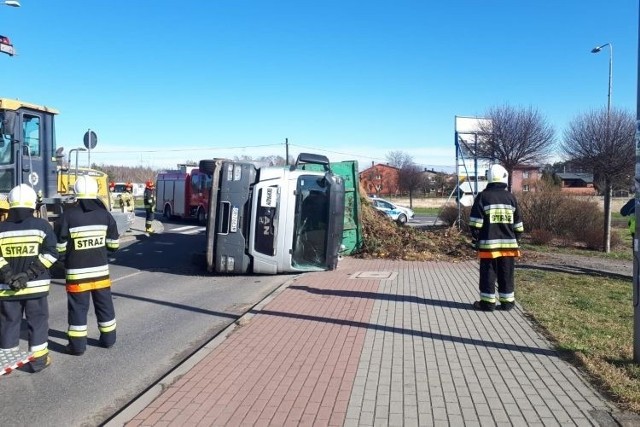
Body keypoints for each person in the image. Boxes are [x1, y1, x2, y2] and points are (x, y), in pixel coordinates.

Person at [55, 175, 120, 355]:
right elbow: (114, 246)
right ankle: (108, 340)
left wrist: (66, 260)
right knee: (105, 306)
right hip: (100, 272)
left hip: (76, 273)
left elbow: (59, 248)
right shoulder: (105, 215)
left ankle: (77, 347)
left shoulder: (67, 216)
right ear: (95, 192)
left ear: (76, 194)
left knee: (77, 309)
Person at [0, 184, 58, 372]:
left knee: (8, 323)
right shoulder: (42, 226)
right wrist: (29, 274)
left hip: (7, 288)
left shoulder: (1, 228)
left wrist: (8, 273)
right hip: (36, 287)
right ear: (33, 204)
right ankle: (38, 361)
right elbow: (51, 254)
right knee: (38, 323)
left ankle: (8, 364)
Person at [469, 164, 524, 312]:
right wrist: (516, 239)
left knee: (488, 273)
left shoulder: (483, 197)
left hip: (488, 246)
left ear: (489, 178)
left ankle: (488, 303)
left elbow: (475, 223)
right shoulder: (510, 198)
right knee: (506, 273)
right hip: (509, 246)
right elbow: (518, 224)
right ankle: (507, 303)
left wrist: (475, 240)